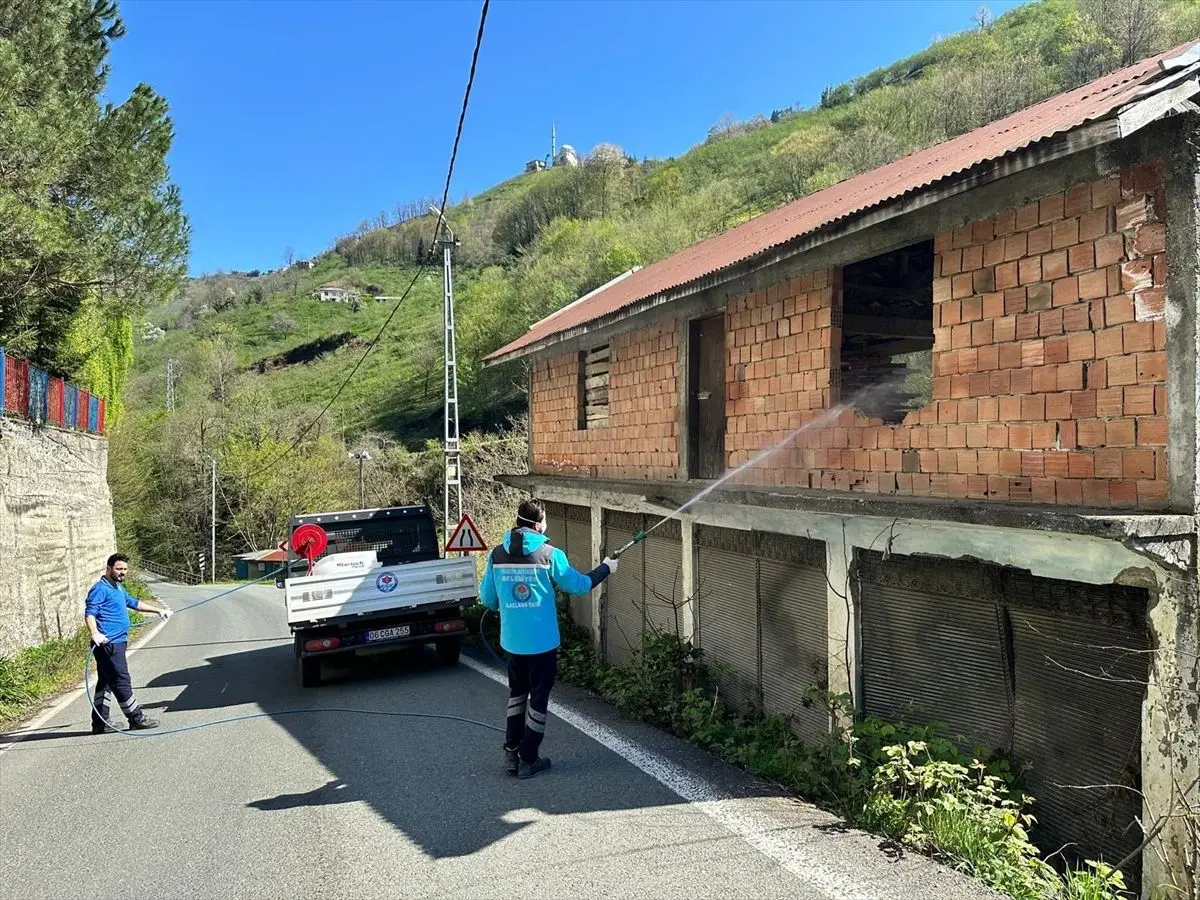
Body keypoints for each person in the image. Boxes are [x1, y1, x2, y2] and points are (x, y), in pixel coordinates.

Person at [480, 498, 618, 778]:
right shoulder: (549, 554)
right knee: (538, 700)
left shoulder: (496, 555)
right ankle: (529, 758)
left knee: (517, 695)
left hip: (513, 643)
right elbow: (578, 586)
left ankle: (511, 753)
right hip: (542, 643)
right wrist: (605, 568)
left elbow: (488, 599)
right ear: (539, 523)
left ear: (518, 521)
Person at [85, 553, 173, 734]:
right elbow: (90, 613)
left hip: (117, 642)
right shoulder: (100, 589)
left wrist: (158, 611)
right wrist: (95, 633)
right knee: (121, 680)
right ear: (108, 568)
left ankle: (100, 723)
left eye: (124, 569)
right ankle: (136, 718)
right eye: (118, 569)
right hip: (108, 644)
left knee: (106, 682)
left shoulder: (117, 587)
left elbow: (133, 603)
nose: (122, 572)